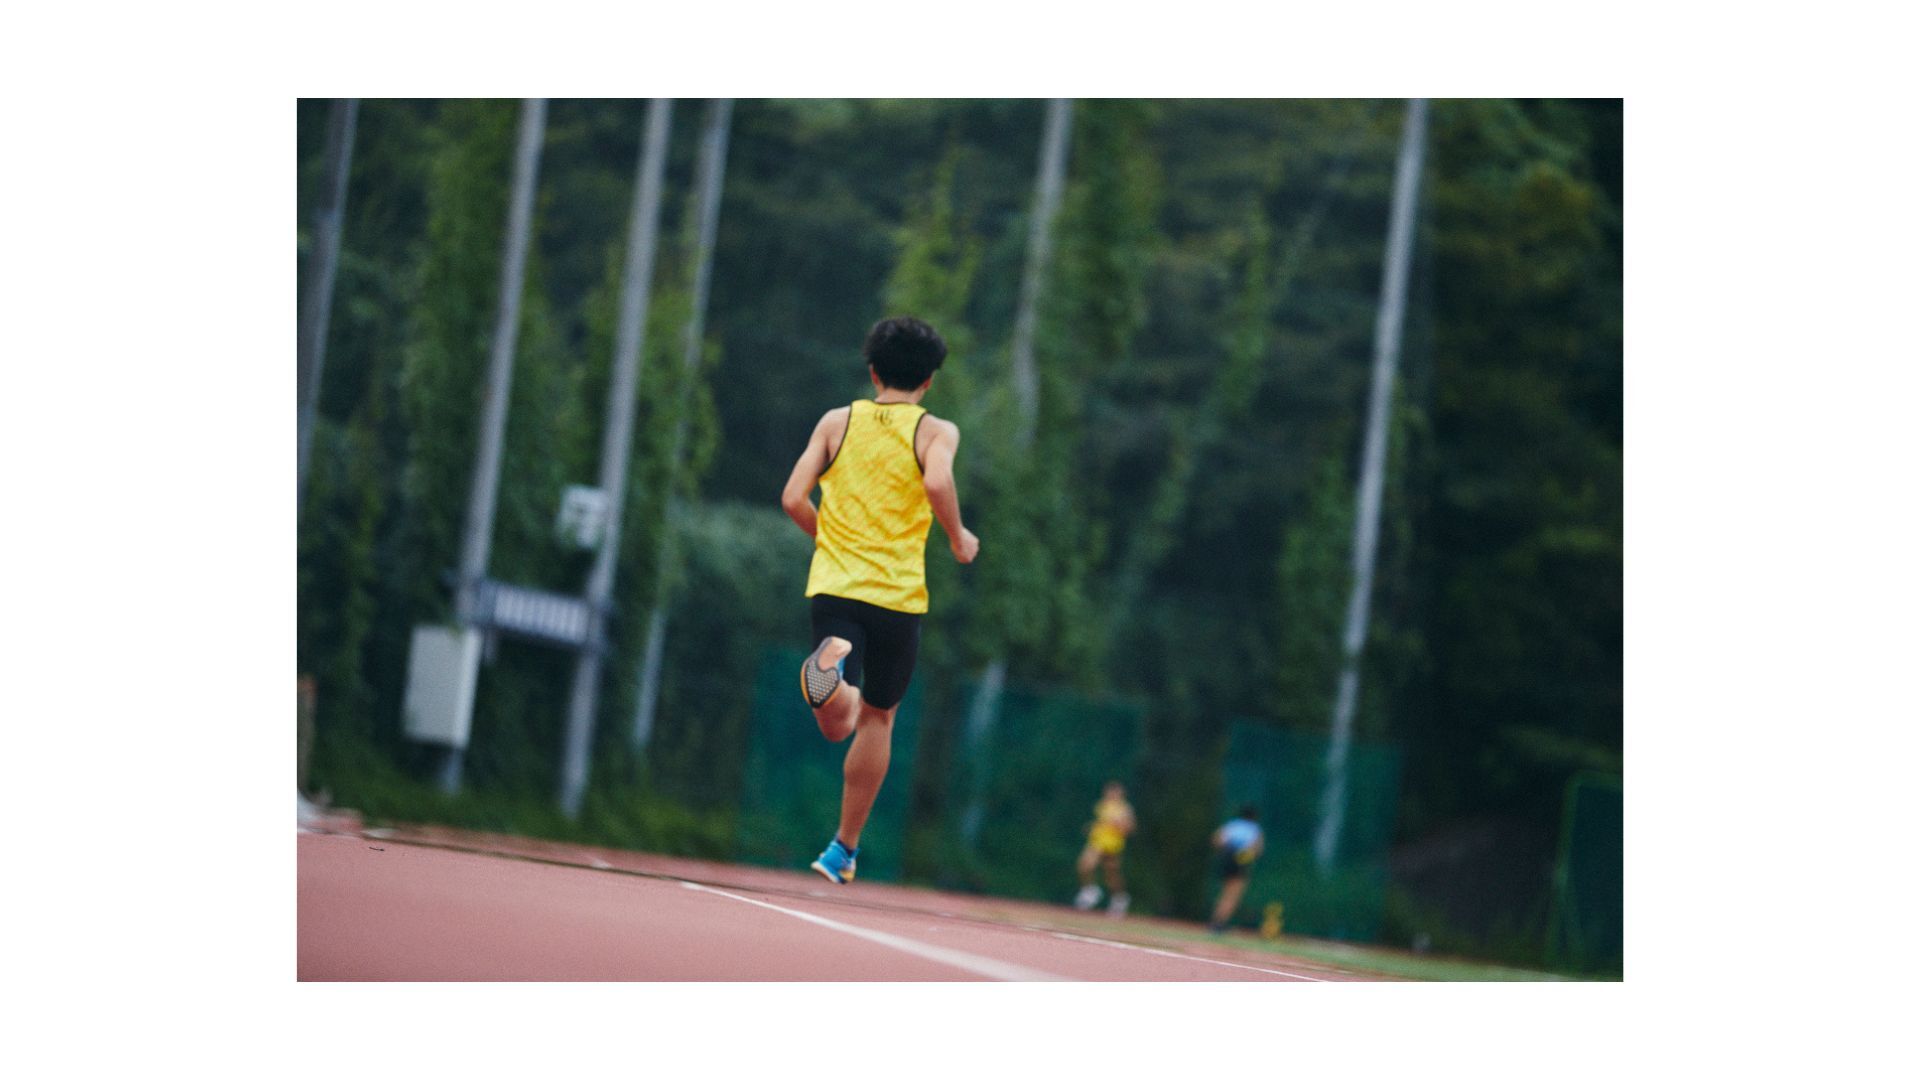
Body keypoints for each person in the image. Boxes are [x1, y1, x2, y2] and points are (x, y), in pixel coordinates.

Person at [782, 316, 979, 885]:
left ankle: (833, 670)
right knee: (879, 718)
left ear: (872, 371)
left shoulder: (835, 422)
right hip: (896, 596)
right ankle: (843, 850)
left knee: (836, 722)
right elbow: (938, 484)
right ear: (930, 381)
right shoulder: (935, 431)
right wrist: (957, 536)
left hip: (835, 587)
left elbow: (794, 497)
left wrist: (832, 541)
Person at [1073, 780, 1136, 916]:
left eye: (1115, 792)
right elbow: (1102, 822)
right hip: (1098, 841)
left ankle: (1120, 898)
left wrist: (1119, 826)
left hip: (1113, 843)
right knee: (1084, 865)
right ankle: (1090, 890)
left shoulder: (1124, 809)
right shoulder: (1102, 805)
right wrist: (1092, 826)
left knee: (1111, 876)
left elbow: (1130, 828)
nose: (1111, 794)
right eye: (1109, 791)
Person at [1208, 805, 1265, 933]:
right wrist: (1246, 855)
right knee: (1232, 895)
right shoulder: (1254, 829)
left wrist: (1226, 851)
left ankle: (1215, 921)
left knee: (1224, 892)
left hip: (1227, 858)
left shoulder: (1233, 825)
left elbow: (1217, 839)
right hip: (1240, 861)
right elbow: (1258, 849)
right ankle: (1219, 924)